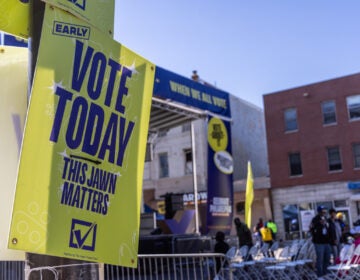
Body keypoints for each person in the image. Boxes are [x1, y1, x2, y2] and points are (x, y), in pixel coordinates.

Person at [309, 205, 331, 277]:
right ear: (319, 211)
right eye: (323, 211)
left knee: (327, 258)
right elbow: (311, 228)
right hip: (319, 242)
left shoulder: (326, 218)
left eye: (325, 210)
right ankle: (320, 274)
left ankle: (325, 272)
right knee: (320, 259)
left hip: (326, 241)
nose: (324, 212)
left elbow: (328, 228)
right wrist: (319, 224)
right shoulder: (315, 219)